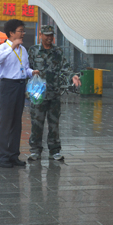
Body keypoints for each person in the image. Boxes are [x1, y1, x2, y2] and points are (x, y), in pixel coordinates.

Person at [0, 19, 39, 168]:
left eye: (23, 31)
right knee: (5, 122)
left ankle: (13, 155)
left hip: (20, 86)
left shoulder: (23, 50)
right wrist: (11, 47)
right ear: (11, 33)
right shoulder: (3, 47)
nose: (23, 33)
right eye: (20, 31)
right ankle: (2, 157)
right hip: (7, 86)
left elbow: (24, 68)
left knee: (16, 122)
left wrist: (32, 72)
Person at [27, 25, 80, 162]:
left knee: (54, 124)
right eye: (46, 35)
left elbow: (66, 67)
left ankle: (54, 151)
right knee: (36, 124)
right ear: (41, 35)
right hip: (38, 95)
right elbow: (26, 68)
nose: (49, 37)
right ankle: (35, 151)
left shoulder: (58, 52)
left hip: (54, 94)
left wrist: (73, 76)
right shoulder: (33, 51)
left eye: (51, 35)